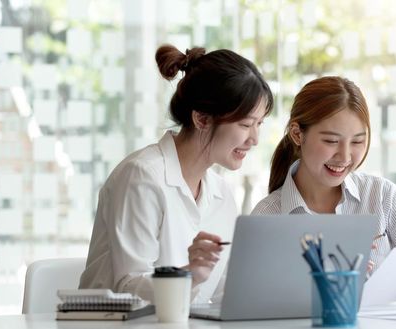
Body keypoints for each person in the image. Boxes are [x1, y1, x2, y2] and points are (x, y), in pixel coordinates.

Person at [79, 44, 273, 304]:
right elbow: (128, 284)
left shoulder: (222, 194)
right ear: (202, 119)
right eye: (246, 124)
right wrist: (189, 276)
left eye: (259, 124)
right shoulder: (142, 176)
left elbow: (219, 292)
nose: (255, 139)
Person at [251, 76, 396, 301]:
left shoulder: (381, 196)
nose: (345, 156)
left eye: (357, 142)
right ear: (297, 134)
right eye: (331, 141)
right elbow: (253, 303)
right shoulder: (268, 216)